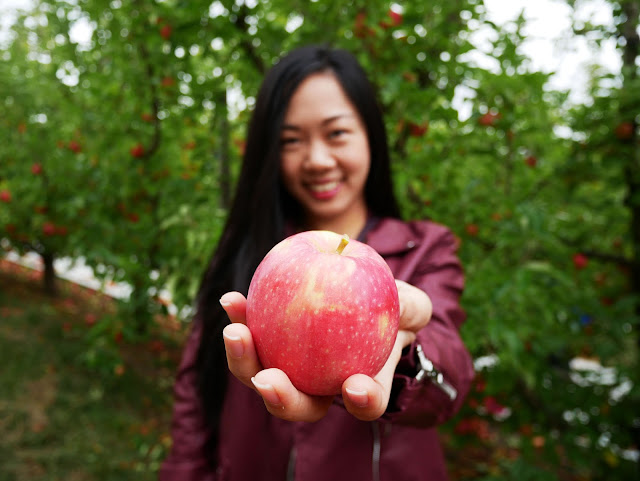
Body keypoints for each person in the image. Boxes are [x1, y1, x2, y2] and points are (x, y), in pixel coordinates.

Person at [159, 44, 475, 481]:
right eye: (291, 140)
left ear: (371, 136)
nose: (318, 160)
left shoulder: (425, 249)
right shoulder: (256, 254)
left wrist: (406, 349)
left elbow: (450, 384)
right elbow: (196, 398)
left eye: (337, 133)